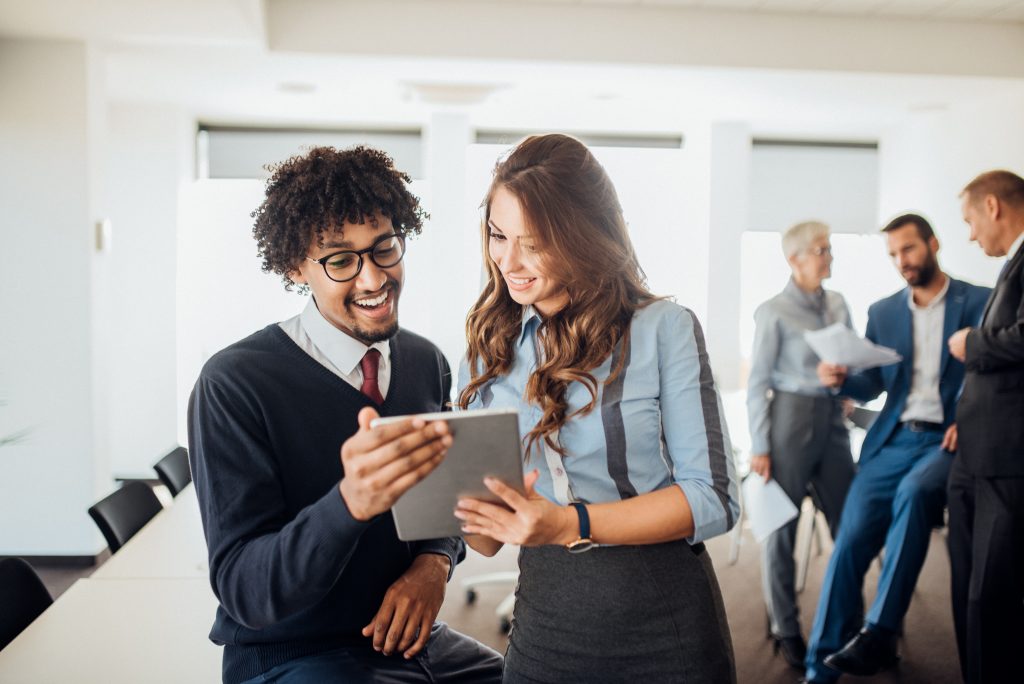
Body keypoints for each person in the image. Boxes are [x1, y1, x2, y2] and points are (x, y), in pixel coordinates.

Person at [187, 146, 503, 684]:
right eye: (340, 260)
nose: (373, 279)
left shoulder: (425, 361)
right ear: (296, 266)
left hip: (412, 642)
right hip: (293, 656)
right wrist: (350, 503)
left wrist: (435, 563)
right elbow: (246, 591)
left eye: (384, 248)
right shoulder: (234, 383)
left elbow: (441, 508)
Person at [452, 134, 739, 683]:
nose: (507, 261)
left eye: (531, 243)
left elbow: (714, 498)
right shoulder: (485, 348)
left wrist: (567, 522)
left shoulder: (664, 329)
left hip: (664, 619)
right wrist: (440, 489)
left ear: (584, 236)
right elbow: (486, 540)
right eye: (497, 235)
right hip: (545, 626)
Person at [805, 214, 989, 683]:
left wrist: (969, 420)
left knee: (914, 494)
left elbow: (996, 377)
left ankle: (881, 631)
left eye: (907, 250)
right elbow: (872, 384)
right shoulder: (883, 311)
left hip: (947, 440)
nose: (900, 261)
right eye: (892, 254)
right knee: (848, 543)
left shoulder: (980, 302)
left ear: (933, 243)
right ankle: (818, 670)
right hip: (891, 440)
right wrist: (842, 378)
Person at [746, 221, 856, 671]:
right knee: (781, 532)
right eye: (821, 250)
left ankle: (852, 623)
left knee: (849, 526)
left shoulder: (839, 303)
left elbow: (849, 357)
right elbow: (756, 383)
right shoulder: (772, 311)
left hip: (832, 420)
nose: (829, 256)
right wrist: (759, 444)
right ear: (795, 260)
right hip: (788, 422)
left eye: (830, 248)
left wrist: (848, 382)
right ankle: (786, 627)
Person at [947, 170, 1024, 684]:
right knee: (967, 583)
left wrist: (970, 343)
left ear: (992, 206)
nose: (972, 234)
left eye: (971, 221)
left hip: (1005, 456)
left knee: (989, 595)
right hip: (975, 450)